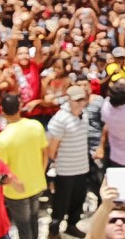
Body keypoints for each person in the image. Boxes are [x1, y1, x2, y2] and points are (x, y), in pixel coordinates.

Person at [0, 94, 48, 239]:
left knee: (24, 227)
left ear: (2, 110)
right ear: (20, 107)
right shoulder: (36, 126)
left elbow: (2, 169)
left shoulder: (2, 139)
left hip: (16, 191)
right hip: (37, 183)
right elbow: (45, 154)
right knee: (34, 221)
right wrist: (40, 173)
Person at [47, 86, 91, 239]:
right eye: (77, 100)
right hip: (65, 169)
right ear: (69, 100)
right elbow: (52, 149)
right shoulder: (60, 119)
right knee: (60, 203)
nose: (80, 103)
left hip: (81, 166)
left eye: (82, 100)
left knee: (78, 200)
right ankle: (53, 230)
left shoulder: (83, 115)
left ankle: (72, 225)